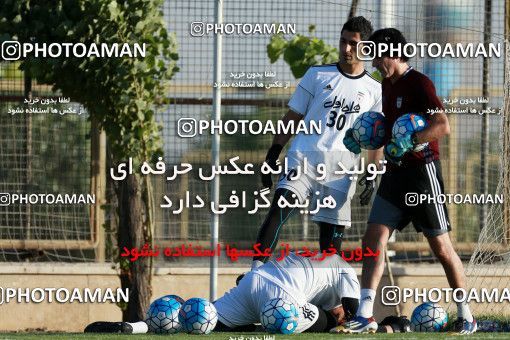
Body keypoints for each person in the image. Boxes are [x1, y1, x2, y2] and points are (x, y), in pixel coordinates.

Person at [338, 28, 477, 334]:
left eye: (378, 54)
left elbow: (442, 126)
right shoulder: (387, 84)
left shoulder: (420, 83)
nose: (373, 60)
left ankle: (466, 315)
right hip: (395, 174)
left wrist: (412, 139)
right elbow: (389, 130)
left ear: (395, 53)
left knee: (441, 248)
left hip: (421, 174)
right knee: (373, 239)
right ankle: (365, 315)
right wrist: (360, 140)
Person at [249, 16, 382, 274]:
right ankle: (253, 274)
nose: (346, 49)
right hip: (303, 159)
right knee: (279, 209)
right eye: (343, 41)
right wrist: (272, 155)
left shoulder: (375, 90)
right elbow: (292, 118)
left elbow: (375, 140)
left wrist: (372, 173)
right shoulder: (317, 75)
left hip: (342, 168)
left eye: (353, 44)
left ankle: (329, 302)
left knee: (330, 242)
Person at [214, 252, 360, 333]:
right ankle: (257, 325)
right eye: (342, 316)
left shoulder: (320, 262)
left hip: (253, 279)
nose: (342, 320)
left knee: (209, 319)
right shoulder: (346, 268)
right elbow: (354, 310)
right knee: (330, 323)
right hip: (285, 297)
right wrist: (380, 327)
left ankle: (242, 324)